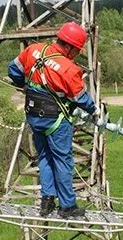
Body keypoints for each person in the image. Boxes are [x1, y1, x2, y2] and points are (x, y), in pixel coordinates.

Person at [8, 22, 98, 218]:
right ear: (70, 46)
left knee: (44, 157)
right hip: (55, 121)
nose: (76, 55)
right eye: (77, 51)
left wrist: (24, 84)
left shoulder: (33, 50)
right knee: (63, 160)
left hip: (33, 116)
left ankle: (47, 202)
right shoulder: (69, 69)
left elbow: (13, 70)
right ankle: (67, 206)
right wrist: (95, 111)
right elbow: (82, 100)